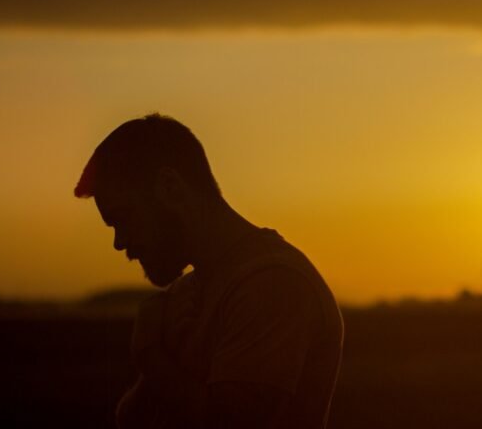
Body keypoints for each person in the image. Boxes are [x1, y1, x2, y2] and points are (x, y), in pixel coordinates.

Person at [74, 114, 343, 428]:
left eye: (124, 217)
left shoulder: (273, 284)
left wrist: (151, 357)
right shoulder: (186, 293)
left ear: (170, 187)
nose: (120, 243)